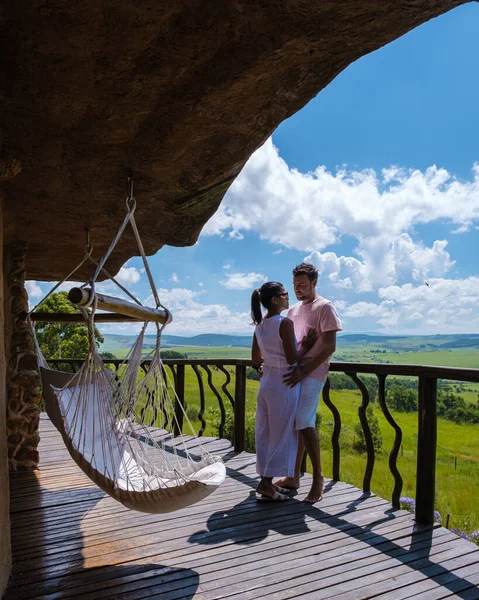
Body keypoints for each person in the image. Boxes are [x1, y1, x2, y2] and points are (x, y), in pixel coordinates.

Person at [275, 263, 342, 503]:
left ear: (314, 283)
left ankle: (318, 479)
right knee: (295, 422)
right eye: (295, 285)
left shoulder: (325, 307)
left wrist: (304, 370)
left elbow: (329, 346)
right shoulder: (292, 311)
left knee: (304, 420)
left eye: (302, 284)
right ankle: (293, 476)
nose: (298, 289)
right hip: (295, 372)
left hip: (313, 373)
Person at [251, 281, 316, 502]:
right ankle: (266, 483)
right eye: (285, 294)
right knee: (283, 433)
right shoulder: (284, 323)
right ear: (275, 299)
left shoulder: (260, 326)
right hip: (284, 384)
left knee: (265, 432)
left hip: (267, 384)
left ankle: (265, 480)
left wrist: (266, 364)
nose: (289, 297)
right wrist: (306, 345)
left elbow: (255, 359)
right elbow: (291, 358)